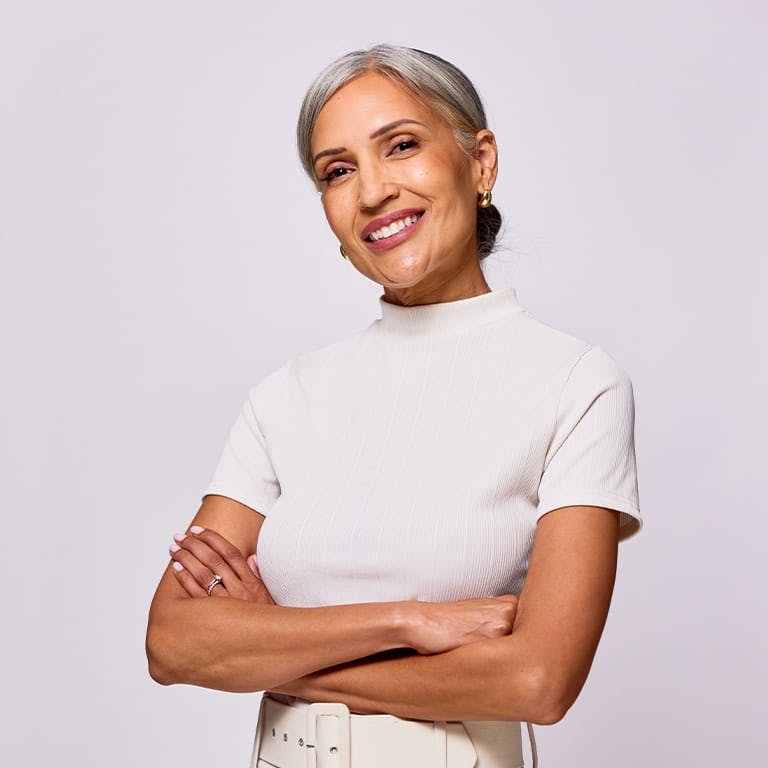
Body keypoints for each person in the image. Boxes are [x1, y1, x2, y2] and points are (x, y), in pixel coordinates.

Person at [146, 43, 643, 768]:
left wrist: (276, 646)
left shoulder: (575, 383)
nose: (372, 191)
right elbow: (173, 642)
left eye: (401, 146)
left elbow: (538, 680)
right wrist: (412, 621)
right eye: (338, 171)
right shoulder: (286, 398)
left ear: (480, 163)